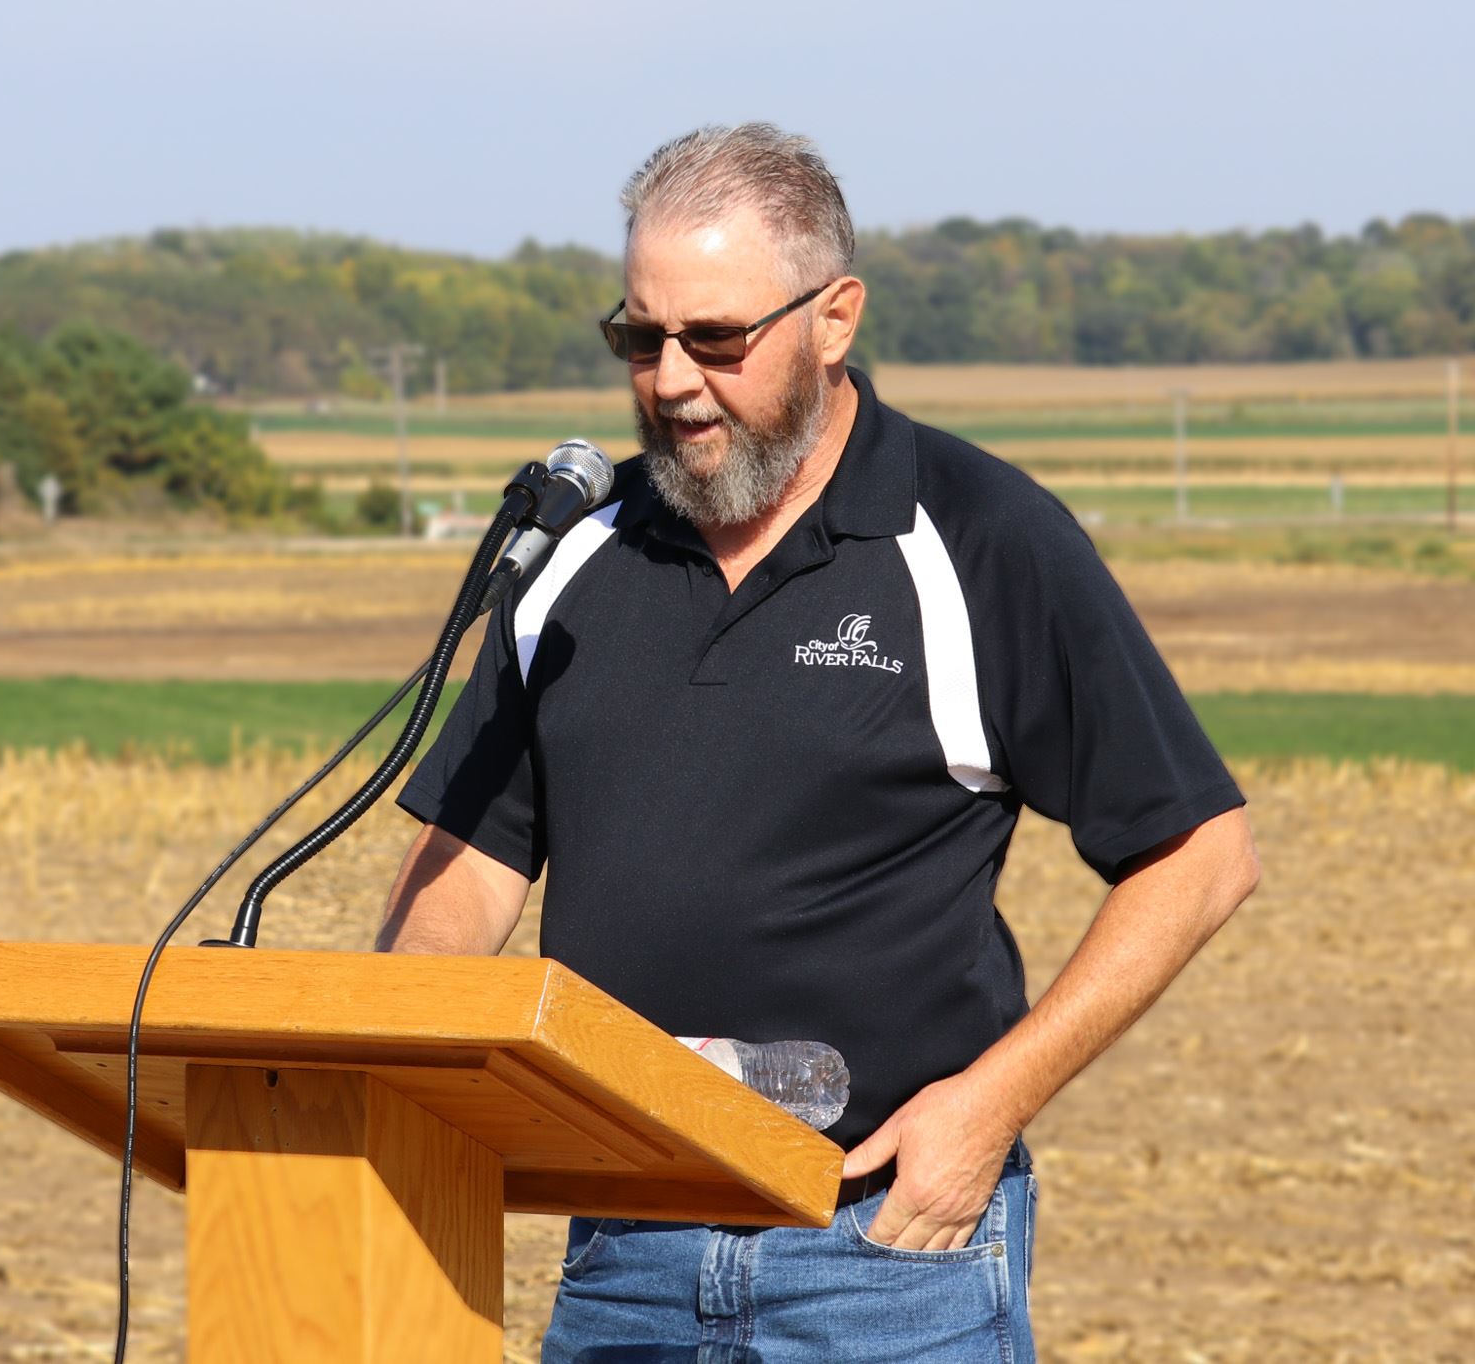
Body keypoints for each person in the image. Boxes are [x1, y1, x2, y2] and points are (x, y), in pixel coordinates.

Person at [379, 123, 1261, 1362]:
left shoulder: (979, 537)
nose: (671, 380)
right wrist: (390, 1073)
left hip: (883, 1260)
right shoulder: (572, 553)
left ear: (833, 317)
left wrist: (985, 1106)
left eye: (716, 340)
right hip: (620, 1254)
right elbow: (469, 862)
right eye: (640, 339)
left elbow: (1198, 854)